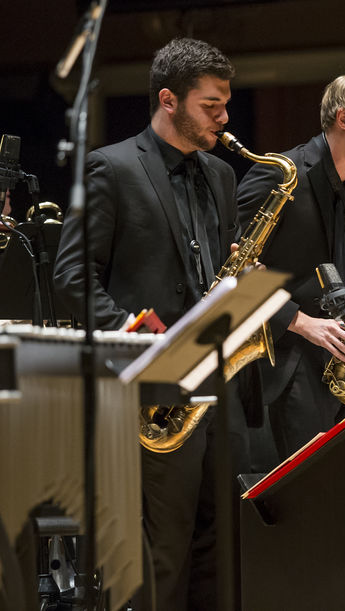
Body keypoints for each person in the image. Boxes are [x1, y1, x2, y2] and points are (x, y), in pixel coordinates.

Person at [53, 37, 243, 610]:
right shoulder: (110, 167)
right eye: (211, 105)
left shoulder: (222, 176)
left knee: (221, 549)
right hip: (151, 395)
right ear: (169, 100)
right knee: (163, 552)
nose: (225, 117)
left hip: (217, 386)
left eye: (225, 103)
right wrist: (147, 339)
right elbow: (72, 278)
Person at [235, 68, 345, 461]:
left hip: (344, 363)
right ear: (344, 119)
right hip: (288, 365)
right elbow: (233, 271)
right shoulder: (278, 176)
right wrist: (300, 321)